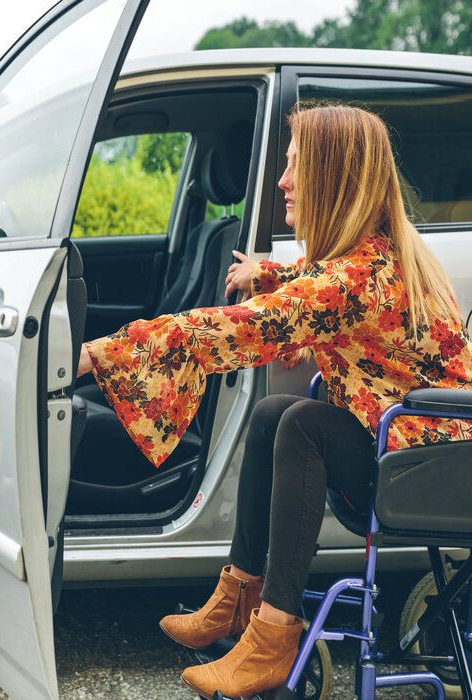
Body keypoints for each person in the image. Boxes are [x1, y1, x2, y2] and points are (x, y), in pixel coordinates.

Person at [76, 104, 472, 699]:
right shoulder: (370, 258)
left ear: (335, 179)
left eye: (295, 167)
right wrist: (268, 274)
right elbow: (312, 289)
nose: (282, 182)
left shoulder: (360, 280)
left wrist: (99, 354)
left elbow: (236, 327)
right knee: (271, 414)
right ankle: (240, 596)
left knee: (305, 424)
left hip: (433, 471)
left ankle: (275, 634)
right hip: (416, 453)